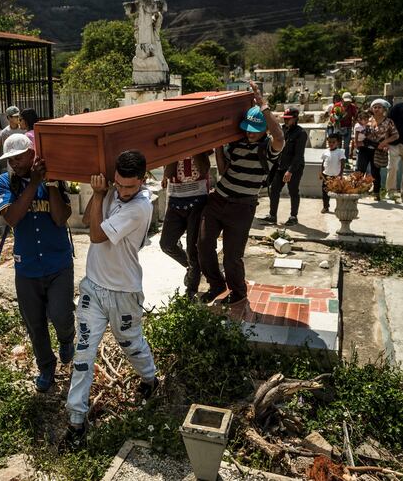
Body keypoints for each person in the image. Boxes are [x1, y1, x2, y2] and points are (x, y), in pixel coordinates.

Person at [65, 150, 158, 446]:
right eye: (119, 184)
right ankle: (76, 422)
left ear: (142, 181)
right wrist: (100, 194)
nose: (123, 191)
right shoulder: (111, 190)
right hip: (94, 287)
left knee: (131, 344)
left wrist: (101, 193)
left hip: (124, 292)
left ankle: (150, 378)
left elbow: (95, 236)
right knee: (83, 355)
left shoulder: (141, 207)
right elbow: (84, 218)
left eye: (130, 186)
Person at [0, 134, 74, 392]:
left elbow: (61, 219)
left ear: (32, 155)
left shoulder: (55, 177)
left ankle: (66, 338)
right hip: (27, 267)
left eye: (18, 158)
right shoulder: (4, 182)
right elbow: (13, 218)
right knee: (35, 324)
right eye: (10, 160)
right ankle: (46, 368)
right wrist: (34, 184)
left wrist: (49, 183)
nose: (14, 164)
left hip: (58, 263)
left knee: (61, 315)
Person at [198, 81, 284, 306]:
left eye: (255, 130)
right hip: (218, 200)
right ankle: (216, 285)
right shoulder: (237, 144)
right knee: (204, 245)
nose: (250, 133)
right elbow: (226, 169)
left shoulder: (267, 149)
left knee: (232, 258)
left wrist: (262, 104)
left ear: (264, 129)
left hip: (242, 208)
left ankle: (238, 293)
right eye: (248, 128)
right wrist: (218, 147)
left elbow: (280, 137)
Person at [159, 152, 211, 299]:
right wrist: (176, 150)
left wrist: (194, 149)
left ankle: (191, 289)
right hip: (176, 198)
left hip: (198, 198)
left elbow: (204, 169)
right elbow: (169, 172)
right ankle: (191, 267)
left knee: (192, 248)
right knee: (166, 244)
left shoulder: (199, 145)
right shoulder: (172, 146)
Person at [260, 107, 307, 226]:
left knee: (293, 191)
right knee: (274, 189)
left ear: (295, 119)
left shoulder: (301, 133)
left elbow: (298, 155)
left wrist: (290, 171)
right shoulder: (282, 130)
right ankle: (272, 215)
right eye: (285, 119)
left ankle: (293, 216)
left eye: (288, 119)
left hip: (294, 168)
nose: (286, 121)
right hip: (280, 166)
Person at [368, 99, 400, 200]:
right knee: (364, 169)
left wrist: (384, 142)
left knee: (375, 171)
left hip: (379, 149)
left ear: (384, 109)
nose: (377, 109)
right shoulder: (369, 120)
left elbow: (395, 135)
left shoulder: (388, 122)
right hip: (367, 148)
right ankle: (363, 189)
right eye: (375, 107)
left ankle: (376, 193)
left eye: (379, 107)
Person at [319, 133, 346, 214]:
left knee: (338, 193)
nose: (331, 144)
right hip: (326, 176)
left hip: (336, 176)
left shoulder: (340, 152)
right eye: (330, 142)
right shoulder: (325, 152)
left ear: (337, 142)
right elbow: (323, 162)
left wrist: (340, 174)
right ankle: (325, 207)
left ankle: (340, 208)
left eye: (333, 142)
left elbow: (342, 163)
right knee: (325, 193)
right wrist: (321, 172)